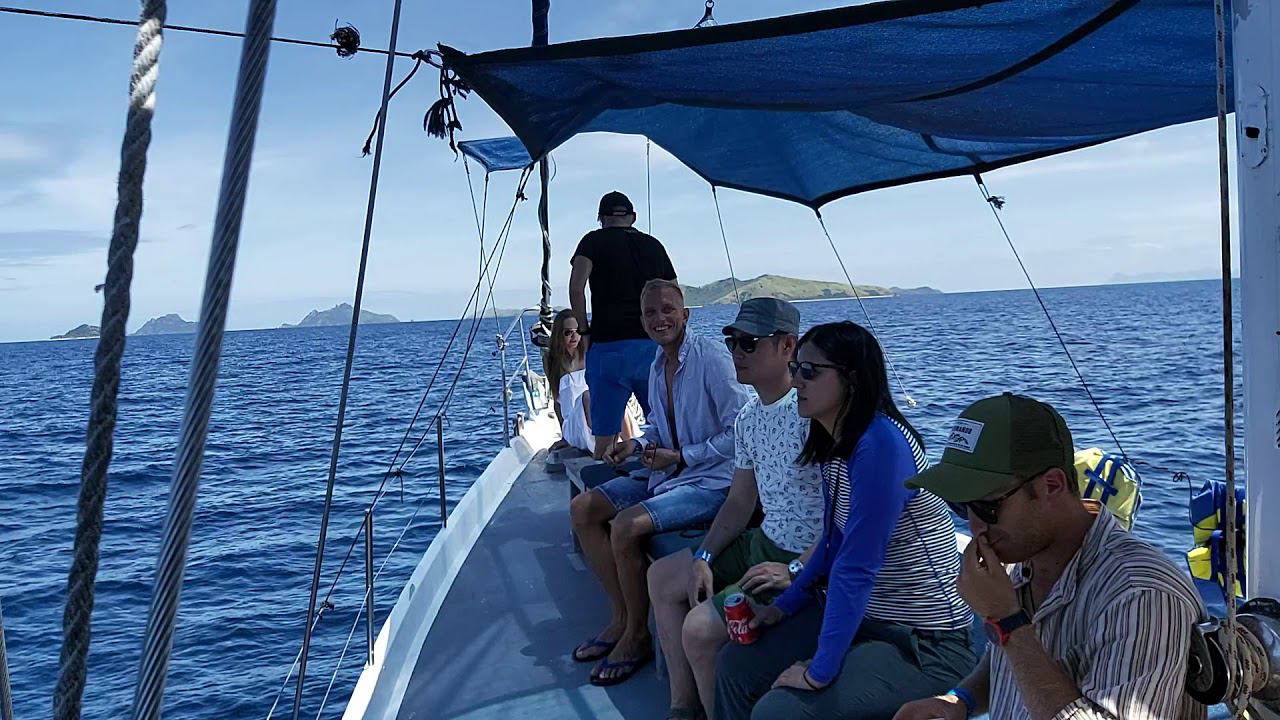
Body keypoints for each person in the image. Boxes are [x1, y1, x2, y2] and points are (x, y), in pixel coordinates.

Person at [716, 321, 975, 720]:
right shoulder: (835, 444)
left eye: (810, 371)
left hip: (925, 642)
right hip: (869, 616)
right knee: (736, 664)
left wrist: (818, 673)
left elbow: (856, 568)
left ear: (852, 379)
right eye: (796, 368)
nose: (796, 380)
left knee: (780, 711)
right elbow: (833, 541)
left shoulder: (882, 446)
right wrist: (782, 607)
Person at [893, 393, 1207, 720]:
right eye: (961, 506)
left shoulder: (1140, 595)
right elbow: (1009, 662)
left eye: (987, 507)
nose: (975, 528)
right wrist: (961, 701)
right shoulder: (1024, 556)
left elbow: (1017, 644)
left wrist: (1007, 622)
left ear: (1052, 485)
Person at [646, 297, 824, 720]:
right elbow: (740, 501)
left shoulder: (813, 415)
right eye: (732, 342)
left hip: (803, 557)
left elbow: (844, 515)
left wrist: (798, 568)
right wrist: (705, 557)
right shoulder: (748, 418)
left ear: (787, 346)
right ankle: (683, 706)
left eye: (749, 343)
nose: (737, 353)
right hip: (762, 541)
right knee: (662, 577)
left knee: (699, 629)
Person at [569, 279, 749, 687]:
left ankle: (637, 636)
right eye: (650, 312)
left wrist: (682, 456)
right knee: (584, 509)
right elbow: (657, 426)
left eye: (667, 310)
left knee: (625, 526)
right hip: (667, 473)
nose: (659, 319)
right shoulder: (656, 363)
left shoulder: (711, 361)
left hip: (712, 483)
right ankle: (621, 617)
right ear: (642, 321)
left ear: (685, 315)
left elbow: (739, 432)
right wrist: (635, 445)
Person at [570, 190, 677, 459]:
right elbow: (673, 292)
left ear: (601, 218)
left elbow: (576, 288)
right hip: (651, 349)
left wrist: (584, 331)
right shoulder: (654, 245)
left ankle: (605, 479)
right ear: (633, 217)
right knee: (667, 430)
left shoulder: (591, 242)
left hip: (607, 348)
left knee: (605, 439)